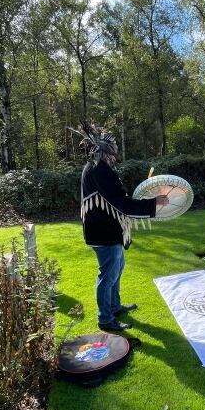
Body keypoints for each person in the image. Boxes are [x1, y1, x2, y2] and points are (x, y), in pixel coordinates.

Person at [76, 123, 169, 332]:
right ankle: (106, 319)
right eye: (113, 147)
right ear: (106, 149)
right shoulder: (99, 169)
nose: (116, 151)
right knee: (108, 275)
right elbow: (121, 202)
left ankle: (114, 306)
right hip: (103, 232)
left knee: (116, 270)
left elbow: (116, 197)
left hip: (106, 230)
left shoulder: (99, 166)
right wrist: (154, 203)